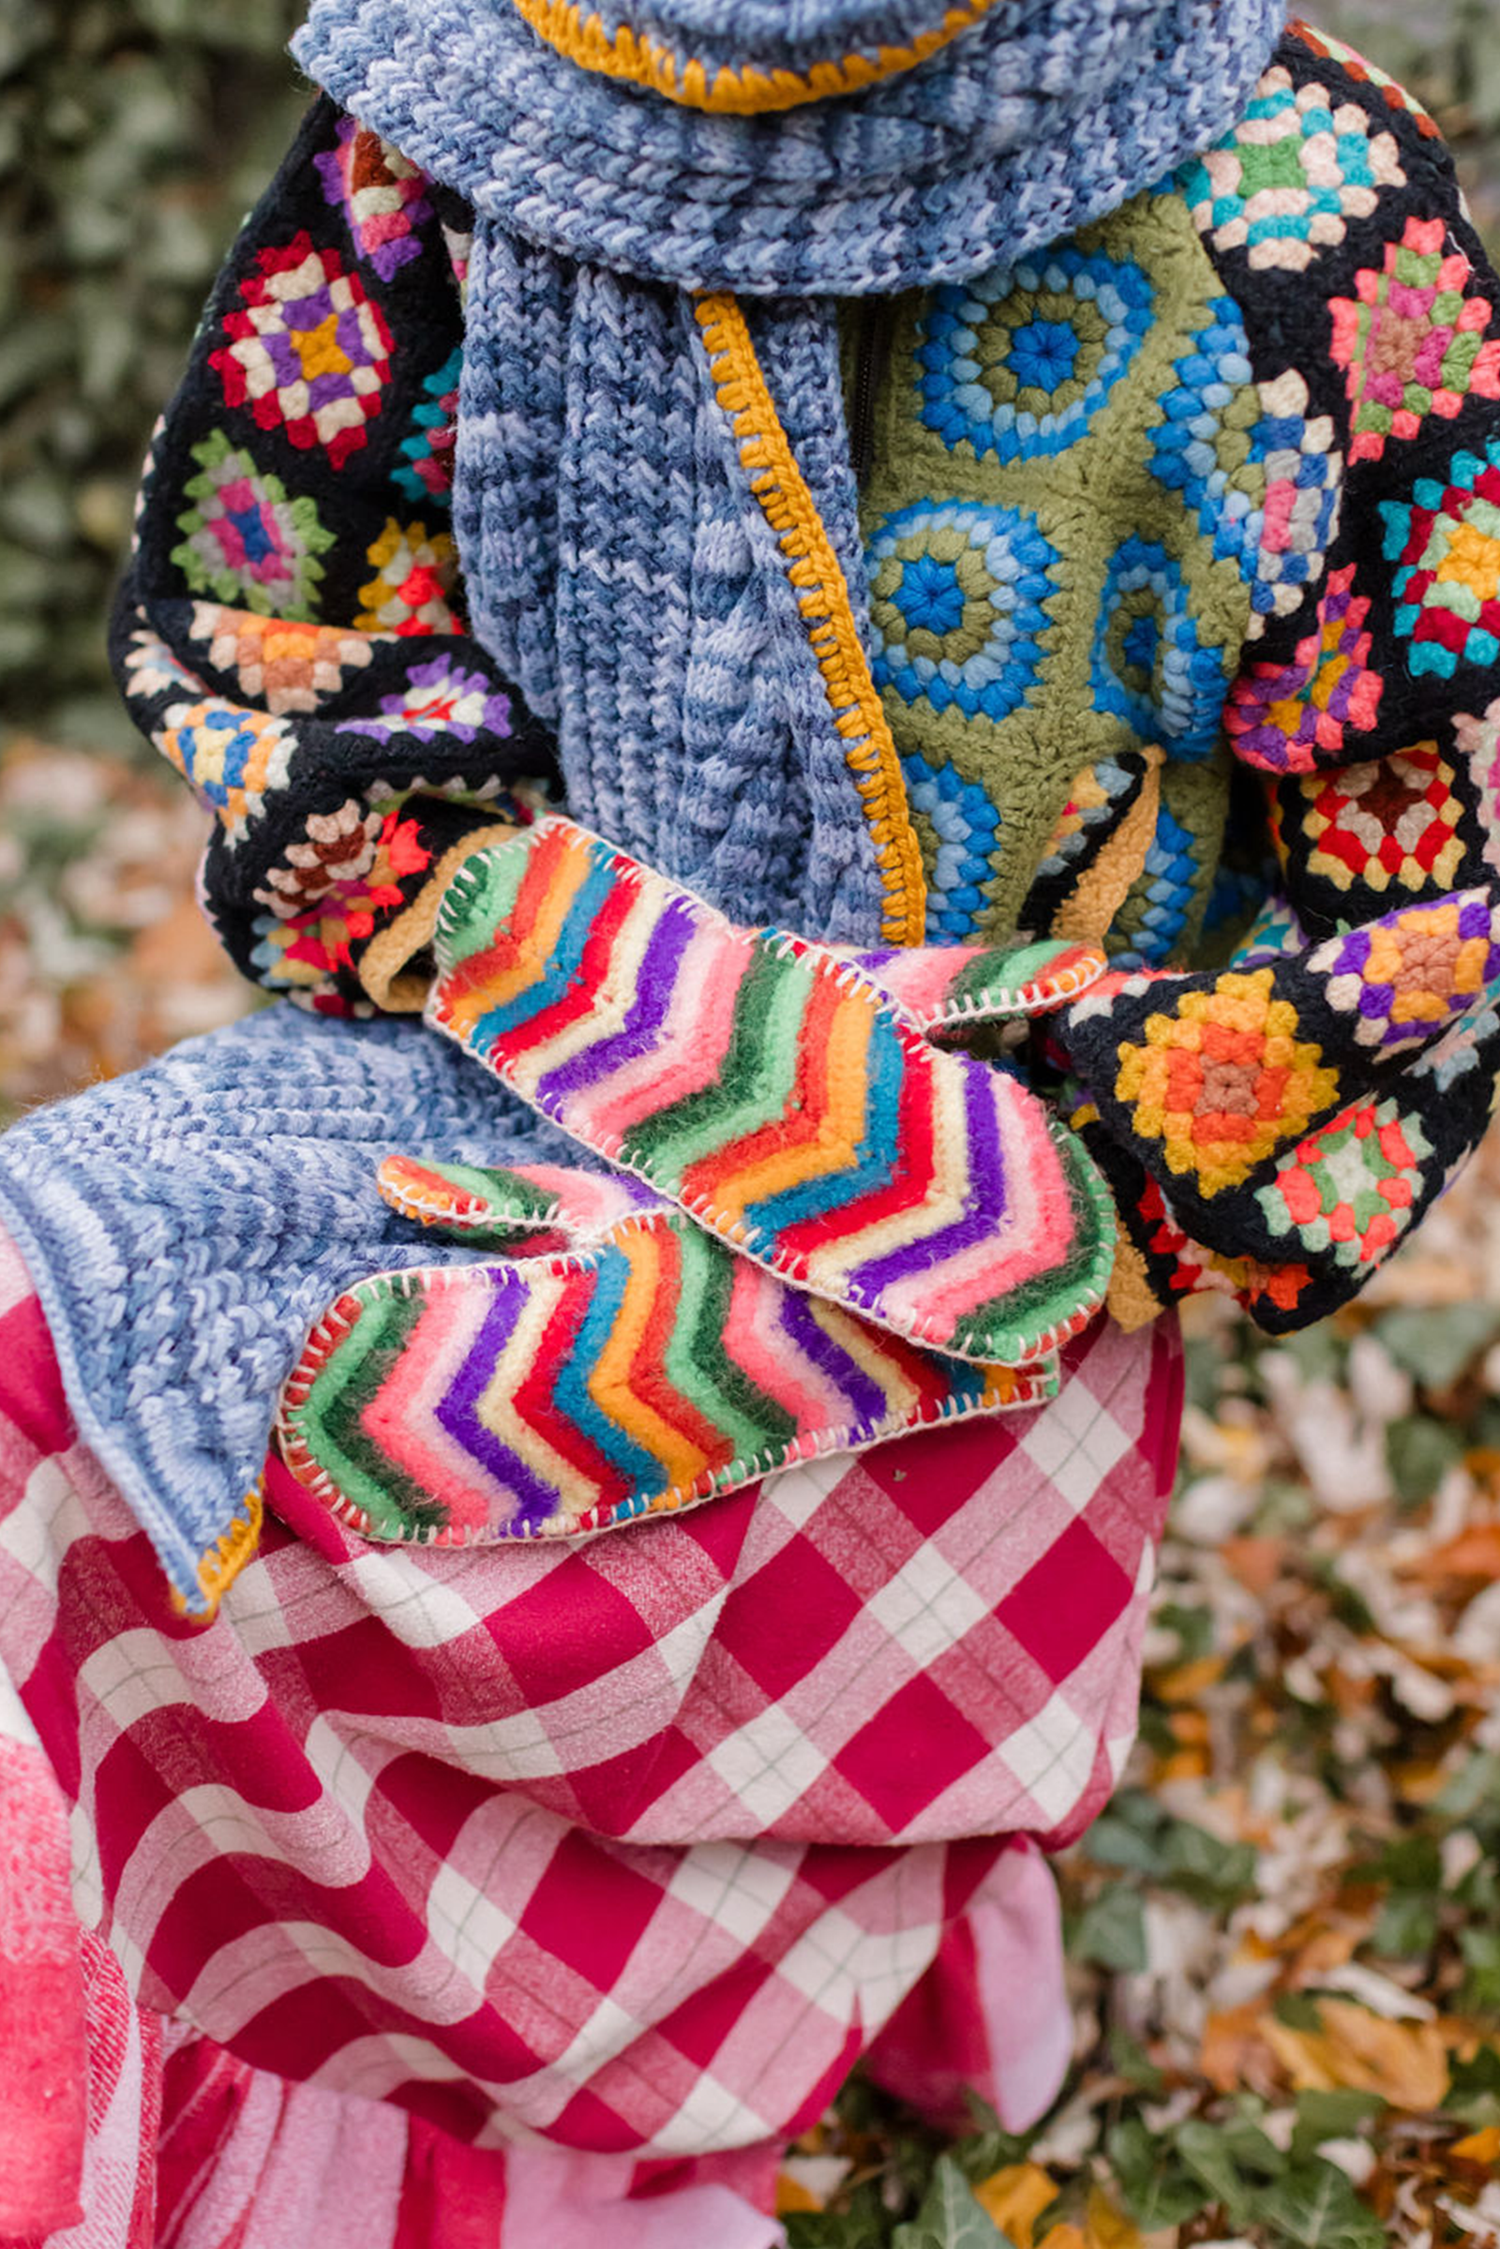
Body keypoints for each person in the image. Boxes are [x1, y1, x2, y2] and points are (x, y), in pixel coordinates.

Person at [2, 1, 1500, 2239]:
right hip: (495, 1023)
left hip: (1014, 1181)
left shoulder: (1296, 201)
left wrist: (1063, 1128)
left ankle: (666, 2091)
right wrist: (500, 916)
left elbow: (1419, 858)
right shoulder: (444, 120)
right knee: (62, 1336)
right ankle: (278, 2070)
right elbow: (267, 585)